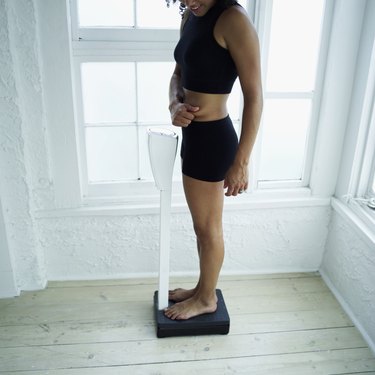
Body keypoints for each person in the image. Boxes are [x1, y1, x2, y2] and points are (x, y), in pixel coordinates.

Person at [164, 0, 263, 320]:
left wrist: (242, 161)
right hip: (193, 137)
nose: (189, 2)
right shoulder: (189, 17)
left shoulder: (233, 20)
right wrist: (173, 105)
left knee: (209, 228)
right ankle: (201, 287)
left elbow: (255, 95)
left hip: (214, 140)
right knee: (201, 227)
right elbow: (178, 74)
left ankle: (207, 299)